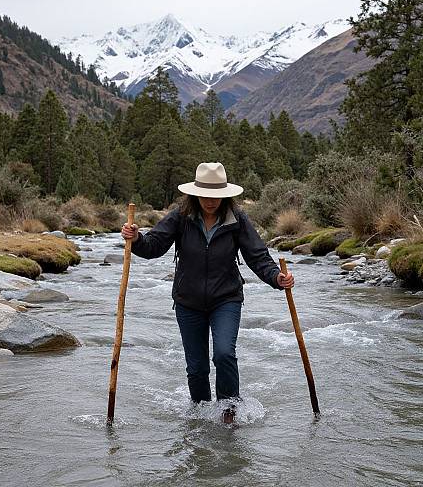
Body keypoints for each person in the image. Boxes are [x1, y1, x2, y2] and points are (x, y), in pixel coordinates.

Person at [121, 162, 294, 423]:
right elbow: (154, 246)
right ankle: (201, 415)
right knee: (197, 368)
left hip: (226, 298)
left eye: (216, 196)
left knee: (224, 353)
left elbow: (257, 256)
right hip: (187, 302)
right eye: (205, 195)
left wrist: (276, 277)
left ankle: (228, 411)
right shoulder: (181, 216)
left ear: (225, 195)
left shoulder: (237, 219)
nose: (210, 201)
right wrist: (136, 239)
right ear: (194, 193)